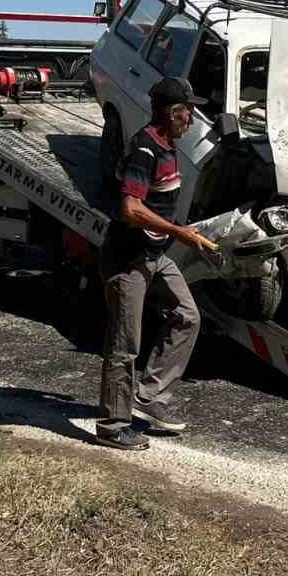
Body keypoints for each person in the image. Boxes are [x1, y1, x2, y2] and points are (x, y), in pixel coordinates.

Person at [96, 76, 219, 451]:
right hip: (128, 260)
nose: (193, 118)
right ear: (171, 111)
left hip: (155, 256)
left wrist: (183, 232)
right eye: (188, 110)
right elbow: (131, 209)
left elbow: (157, 206)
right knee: (124, 342)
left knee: (188, 316)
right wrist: (180, 233)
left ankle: (147, 400)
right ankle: (114, 424)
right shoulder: (144, 151)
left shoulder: (168, 148)